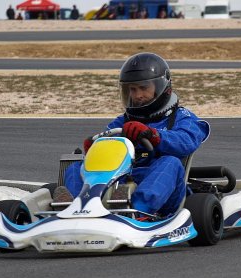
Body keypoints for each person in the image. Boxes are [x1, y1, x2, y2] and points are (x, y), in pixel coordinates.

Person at [60, 52, 210, 218]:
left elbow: (187, 141)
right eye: (133, 89)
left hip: (163, 187)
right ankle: (76, 207)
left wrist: (155, 136)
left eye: (144, 88)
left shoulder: (182, 117)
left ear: (162, 87)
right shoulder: (121, 121)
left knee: (171, 162)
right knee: (76, 167)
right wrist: (94, 149)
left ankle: (138, 210)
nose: (138, 95)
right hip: (121, 179)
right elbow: (106, 149)